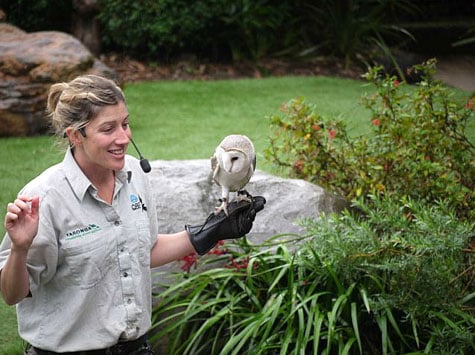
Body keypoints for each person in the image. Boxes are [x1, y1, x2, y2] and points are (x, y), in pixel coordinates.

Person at [0, 74, 265, 354]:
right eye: (108, 129)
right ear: (75, 135)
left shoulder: (134, 174)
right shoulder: (45, 198)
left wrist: (210, 231)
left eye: (125, 124)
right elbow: (12, 293)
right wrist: (20, 248)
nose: (123, 138)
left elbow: (143, 250)